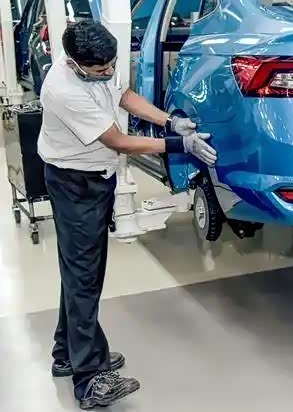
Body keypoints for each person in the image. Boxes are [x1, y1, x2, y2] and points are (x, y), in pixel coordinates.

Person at [38, 21, 218, 409]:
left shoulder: (98, 62)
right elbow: (118, 141)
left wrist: (169, 120)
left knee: (80, 270)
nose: (108, 72)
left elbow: (124, 95)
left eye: (110, 65)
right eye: (99, 70)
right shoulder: (63, 90)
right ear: (74, 63)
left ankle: (66, 353)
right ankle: (90, 378)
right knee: (84, 276)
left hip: (95, 176)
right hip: (74, 182)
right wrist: (179, 144)